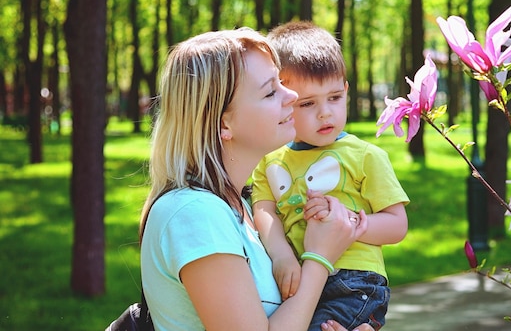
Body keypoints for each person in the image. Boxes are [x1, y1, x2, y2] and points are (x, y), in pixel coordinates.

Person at [139, 28, 374, 331]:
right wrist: (319, 259)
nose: (292, 96)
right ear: (224, 123)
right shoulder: (194, 215)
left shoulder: (240, 209)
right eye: (270, 91)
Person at [251, 21, 410, 331]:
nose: (325, 113)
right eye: (307, 103)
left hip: (355, 281)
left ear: (346, 91)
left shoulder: (365, 156)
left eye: (334, 98)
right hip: (301, 278)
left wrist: (346, 223)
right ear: (283, 100)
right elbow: (263, 209)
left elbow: (397, 225)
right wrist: (281, 254)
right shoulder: (270, 158)